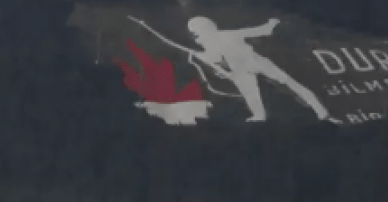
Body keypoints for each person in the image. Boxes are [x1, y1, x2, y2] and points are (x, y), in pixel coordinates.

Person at [133, 14, 338, 123]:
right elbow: (216, 64)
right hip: (242, 69)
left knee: (288, 84)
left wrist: (271, 23)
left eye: (195, 33)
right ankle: (316, 111)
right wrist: (202, 58)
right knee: (260, 95)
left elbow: (261, 31)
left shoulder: (223, 37)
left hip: (252, 63)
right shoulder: (217, 41)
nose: (196, 37)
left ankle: (320, 110)